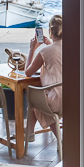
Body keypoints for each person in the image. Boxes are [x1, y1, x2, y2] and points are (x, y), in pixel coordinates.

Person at [24, 14, 63, 143]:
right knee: (39, 101)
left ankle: (60, 139)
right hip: (74, 98)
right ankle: (29, 132)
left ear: (50, 31)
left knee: (36, 102)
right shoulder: (72, 47)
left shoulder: (45, 51)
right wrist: (51, 44)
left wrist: (32, 49)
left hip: (58, 99)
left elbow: (28, 72)